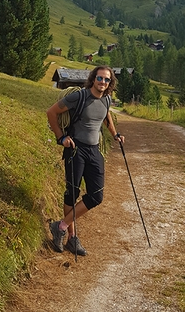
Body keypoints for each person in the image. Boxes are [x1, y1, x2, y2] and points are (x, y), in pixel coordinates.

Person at [46, 65, 124, 256]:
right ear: (93, 79)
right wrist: (61, 138)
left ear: (110, 82)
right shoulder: (79, 97)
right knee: (71, 194)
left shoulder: (106, 99)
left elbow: (106, 118)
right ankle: (72, 238)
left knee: (96, 196)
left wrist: (115, 134)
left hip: (94, 151)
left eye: (106, 80)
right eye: (100, 78)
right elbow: (51, 113)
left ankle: (61, 226)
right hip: (76, 149)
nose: (103, 82)